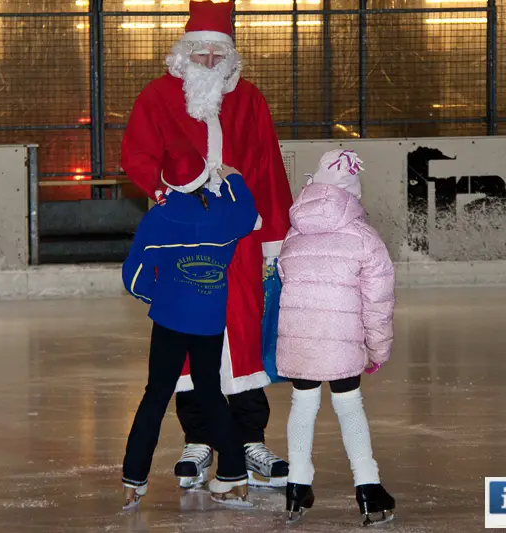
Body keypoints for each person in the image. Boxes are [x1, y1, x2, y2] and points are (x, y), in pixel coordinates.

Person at [120, 0, 292, 489]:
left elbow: (269, 170)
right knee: (188, 340)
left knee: (242, 335)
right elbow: (136, 154)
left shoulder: (250, 100)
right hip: (184, 241)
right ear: (182, 55)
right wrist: (167, 198)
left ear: (231, 59)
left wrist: (272, 242)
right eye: (201, 55)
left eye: (219, 56)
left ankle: (250, 439)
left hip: (241, 239)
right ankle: (198, 440)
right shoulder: (156, 98)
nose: (210, 65)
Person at [120, 138, 260, 509]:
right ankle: (234, 475)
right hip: (209, 322)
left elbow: (132, 277)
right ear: (203, 177)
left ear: (167, 183)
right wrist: (234, 180)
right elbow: (248, 215)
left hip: (169, 321)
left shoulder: (157, 219)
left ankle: (134, 479)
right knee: (211, 391)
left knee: (155, 396)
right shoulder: (223, 214)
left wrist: (159, 296)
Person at [275, 149, 397, 525]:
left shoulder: (293, 235)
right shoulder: (364, 239)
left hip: (300, 341)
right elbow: (378, 303)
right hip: (342, 343)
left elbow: (284, 280)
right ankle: (368, 489)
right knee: (349, 407)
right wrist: (376, 351)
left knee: (303, 405)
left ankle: (296, 485)